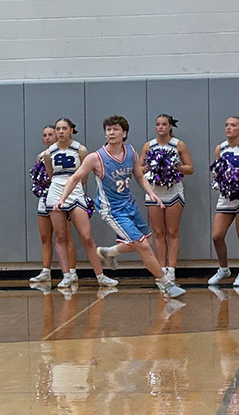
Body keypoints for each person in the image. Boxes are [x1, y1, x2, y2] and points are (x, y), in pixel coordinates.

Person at [56, 115, 185, 298]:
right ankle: (165, 284)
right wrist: (62, 199)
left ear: (124, 133)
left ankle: (110, 252)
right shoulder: (96, 157)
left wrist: (151, 193)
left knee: (145, 242)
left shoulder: (131, 151)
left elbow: (139, 176)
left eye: (115, 129)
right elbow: (74, 178)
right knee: (144, 247)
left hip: (129, 204)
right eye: (108, 130)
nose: (111, 133)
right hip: (112, 210)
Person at [43, 118, 117, 289]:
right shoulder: (49, 153)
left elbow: (84, 177)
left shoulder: (81, 149)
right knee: (60, 236)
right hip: (55, 192)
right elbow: (50, 175)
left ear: (71, 130)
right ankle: (67, 275)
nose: (60, 132)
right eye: (58, 129)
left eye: (64, 128)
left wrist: (73, 186)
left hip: (75, 192)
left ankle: (101, 275)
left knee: (86, 236)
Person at [140, 114, 194, 283]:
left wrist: (174, 167)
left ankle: (171, 269)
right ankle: (161, 270)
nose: (161, 127)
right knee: (158, 232)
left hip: (173, 191)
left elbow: (190, 168)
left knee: (172, 231)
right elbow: (140, 169)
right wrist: (150, 166)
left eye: (164, 124)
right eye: (158, 124)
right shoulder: (149, 145)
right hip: (154, 191)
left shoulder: (178, 145)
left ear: (170, 126)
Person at [29, 125, 77, 285]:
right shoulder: (41, 156)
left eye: (50, 134)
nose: (47, 137)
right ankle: (46, 271)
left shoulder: (66, 153)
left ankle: (72, 271)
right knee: (44, 236)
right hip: (44, 198)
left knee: (64, 236)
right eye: (44, 135)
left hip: (60, 199)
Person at [209, 116, 239, 287]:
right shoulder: (220, 148)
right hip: (226, 196)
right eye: (226, 125)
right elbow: (216, 171)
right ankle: (223, 268)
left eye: (233, 125)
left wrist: (238, 179)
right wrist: (220, 178)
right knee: (217, 236)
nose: (228, 128)